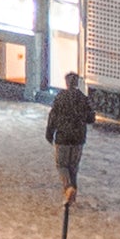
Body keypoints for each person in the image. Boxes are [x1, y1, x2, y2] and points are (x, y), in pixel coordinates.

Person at [45, 72, 96, 203]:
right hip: (78, 138)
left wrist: (50, 133)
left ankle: (68, 188)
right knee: (73, 167)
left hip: (63, 137)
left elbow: (53, 116)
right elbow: (91, 118)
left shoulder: (60, 97)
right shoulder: (83, 98)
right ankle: (72, 196)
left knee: (62, 165)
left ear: (67, 83)